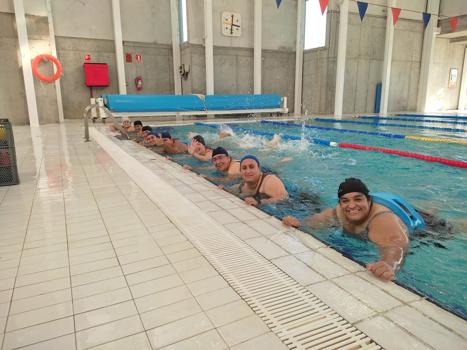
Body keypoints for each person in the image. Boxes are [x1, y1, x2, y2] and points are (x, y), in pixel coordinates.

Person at [282, 178, 419, 281]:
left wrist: (389, 264)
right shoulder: (336, 213)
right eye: (345, 201)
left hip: (420, 225)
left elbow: (395, 244)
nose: (351, 206)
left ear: (369, 200)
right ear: (340, 203)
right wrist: (295, 223)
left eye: (358, 199)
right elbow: (308, 224)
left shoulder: (382, 219)